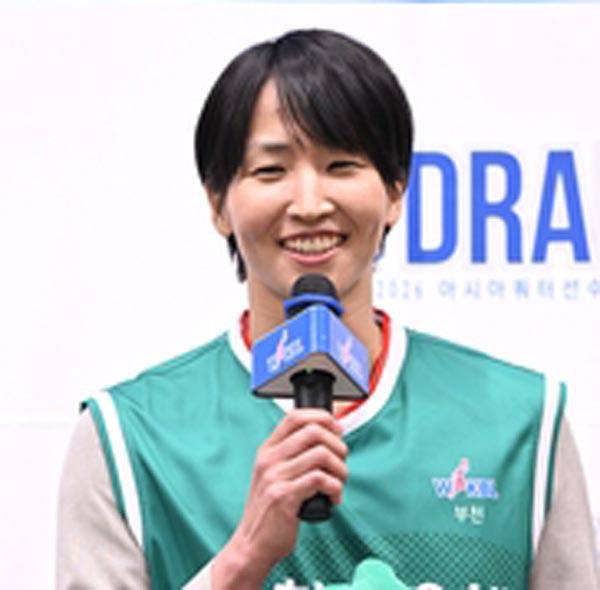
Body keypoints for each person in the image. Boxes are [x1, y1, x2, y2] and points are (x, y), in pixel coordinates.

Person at [56, 29, 598, 590]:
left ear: (395, 192)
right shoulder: (129, 437)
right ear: (218, 204)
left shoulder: (521, 421)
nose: (310, 204)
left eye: (341, 165)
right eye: (271, 171)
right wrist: (242, 558)